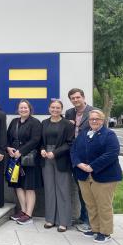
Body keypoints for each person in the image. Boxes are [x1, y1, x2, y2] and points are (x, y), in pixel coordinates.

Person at [71, 109, 123, 243]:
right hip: (83, 174)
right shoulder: (83, 134)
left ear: (102, 120)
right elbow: (73, 150)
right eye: (91, 119)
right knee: (91, 204)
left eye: (97, 119)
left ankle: (105, 232)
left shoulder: (109, 134)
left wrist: (92, 166)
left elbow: (112, 153)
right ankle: (95, 228)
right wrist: (78, 163)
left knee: (103, 205)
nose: (94, 121)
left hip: (105, 176)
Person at [40, 99, 75, 232]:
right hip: (46, 159)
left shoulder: (67, 124)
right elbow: (41, 141)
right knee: (49, 189)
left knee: (62, 189)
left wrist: (55, 153)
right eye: (53, 107)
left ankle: (63, 221)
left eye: (58, 108)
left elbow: (69, 143)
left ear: (61, 109)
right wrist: (42, 149)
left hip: (61, 158)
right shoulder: (44, 123)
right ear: (49, 109)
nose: (55, 110)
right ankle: (50, 219)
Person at [65, 88, 96, 233]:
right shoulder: (69, 113)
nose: (75, 100)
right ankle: (83, 217)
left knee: (90, 191)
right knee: (80, 189)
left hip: (88, 156)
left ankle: (91, 221)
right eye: (73, 98)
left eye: (78, 97)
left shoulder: (93, 112)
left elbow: (100, 134)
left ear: (83, 97)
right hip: (74, 156)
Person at [7, 100, 42, 225]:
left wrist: (21, 151)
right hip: (15, 159)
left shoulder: (35, 123)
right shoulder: (14, 122)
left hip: (29, 160)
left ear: (30, 109)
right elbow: (7, 138)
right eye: (21, 108)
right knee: (18, 186)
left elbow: (35, 140)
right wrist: (8, 148)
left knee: (29, 187)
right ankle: (22, 211)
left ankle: (29, 214)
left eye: (25, 108)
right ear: (18, 109)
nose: (23, 110)